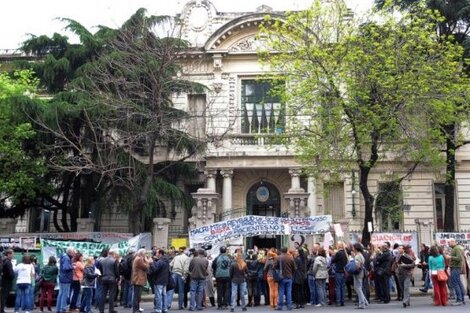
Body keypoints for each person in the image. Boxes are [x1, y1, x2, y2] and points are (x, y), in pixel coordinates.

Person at [446, 238, 466, 305]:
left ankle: (459, 300)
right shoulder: (455, 248)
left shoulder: (456, 248)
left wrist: (450, 257)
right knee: (458, 283)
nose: (448, 244)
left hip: (456, 268)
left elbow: (459, 258)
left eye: (449, 242)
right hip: (455, 268)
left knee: (455, 283)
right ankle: (461, 299)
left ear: (453, 242)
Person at [57, 247, 75, 313]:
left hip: (62, 278)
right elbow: (66, 267)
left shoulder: (63, 256)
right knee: (65, 294)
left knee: (61, 294)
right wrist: (73, 267)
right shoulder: (67, 258)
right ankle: (62, 309)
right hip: (66, 278)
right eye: (73, 252)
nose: (74, 254)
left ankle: (58, 309)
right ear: (70, 252)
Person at [132, 249, 150, 313]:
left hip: (138, 279)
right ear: (142, 254)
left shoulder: (138, 258)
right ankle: (135, 310)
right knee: (137, 296)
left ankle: (137, 309)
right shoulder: (139, 259)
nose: (146, 255)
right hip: (138, 279)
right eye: (145, 253)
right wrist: (147, 261)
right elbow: (146, 267)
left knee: (138, 296)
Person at [331, 241, 348, 306]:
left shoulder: (338, 253)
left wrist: (333, 255)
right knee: (343, 287)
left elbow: (333, 261)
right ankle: (342, 301)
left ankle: (338, 301)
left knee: (338, 287)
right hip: (344, 271)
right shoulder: (345, 253)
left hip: (338, 271)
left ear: (339, 246)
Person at [352, 243, 368, 310]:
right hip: (361, 273)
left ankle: (362, 303)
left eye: (353, 247)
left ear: (356, 248)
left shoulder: (358, 256)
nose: (352, 249)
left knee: (358, 288)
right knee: (358, 288)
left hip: (358, 273)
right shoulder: (360, 255)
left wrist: (352, 261)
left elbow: (357, 265)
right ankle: (364, 301)